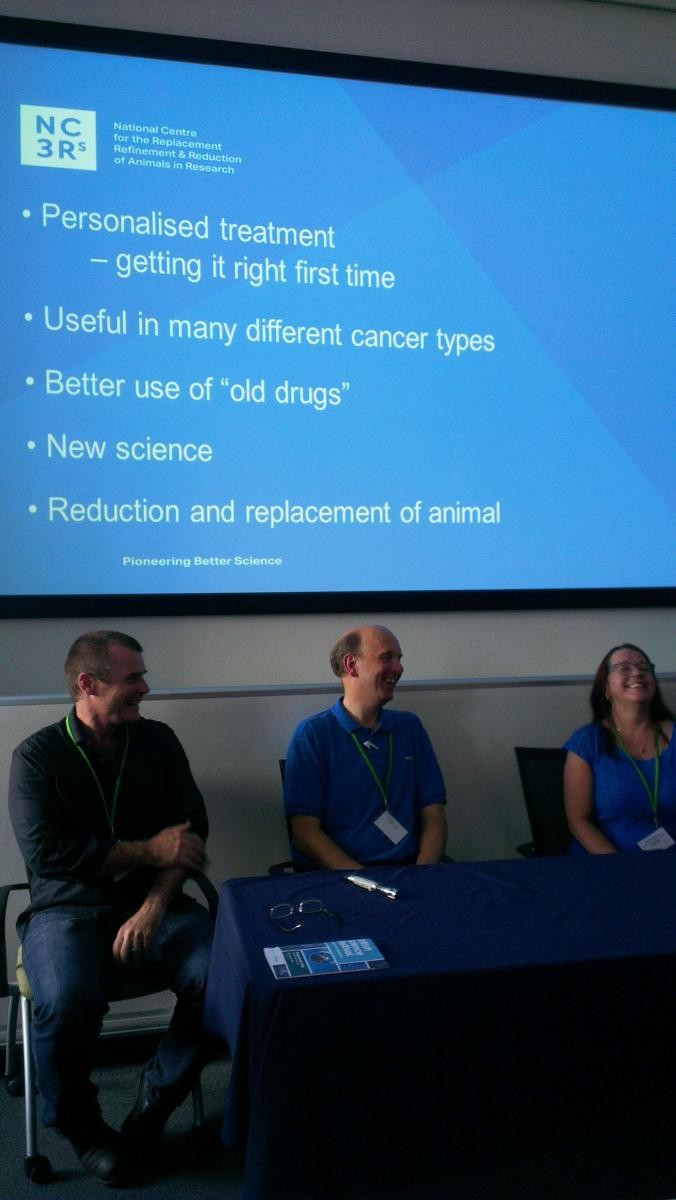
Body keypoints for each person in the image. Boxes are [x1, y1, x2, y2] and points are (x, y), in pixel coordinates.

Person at [8, 631, 214, 1186]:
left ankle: (156, 1099)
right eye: (133, 679)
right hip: (66, 912)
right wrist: (149, 849)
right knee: (70, 995)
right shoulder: (36, 757)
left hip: (156, 907)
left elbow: (192, 834)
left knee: (223, 973)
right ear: (88, 684)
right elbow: (49, 856)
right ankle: (83, 1129)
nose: (145, 688)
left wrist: (151, 906)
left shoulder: (158, 742)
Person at [283, 624, 447, 869]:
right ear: (351, 666)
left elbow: (434, 814)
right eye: (387, 657)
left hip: (410, 873)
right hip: (344, 881)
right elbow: (305, 833)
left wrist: (423, 874)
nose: (399, 668)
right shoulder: (313, 735)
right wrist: (367, 883)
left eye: (399, 659)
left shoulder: (410, 728)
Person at [563, 642, 676, 854]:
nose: (637, 673)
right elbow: (579, 822)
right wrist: (620, 866)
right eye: (624, 668)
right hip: (608, 866)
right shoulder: (587, 742)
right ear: (606, 688)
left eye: (644, 668)